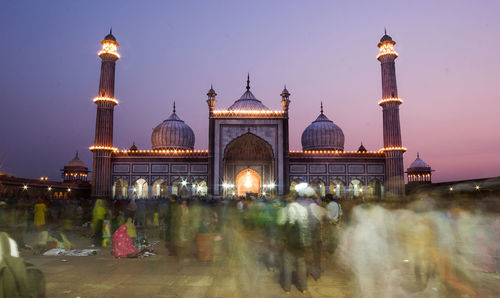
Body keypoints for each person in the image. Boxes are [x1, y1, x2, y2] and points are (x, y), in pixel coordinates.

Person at [277, 196, 310, 294]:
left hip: (291, 241)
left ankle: (287, 288)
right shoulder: (303, 208)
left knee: (287, 264)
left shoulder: (288, 209)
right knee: (301, 264)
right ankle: (303, 288)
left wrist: (284, 235)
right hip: (302, 240)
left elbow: (286, 223)